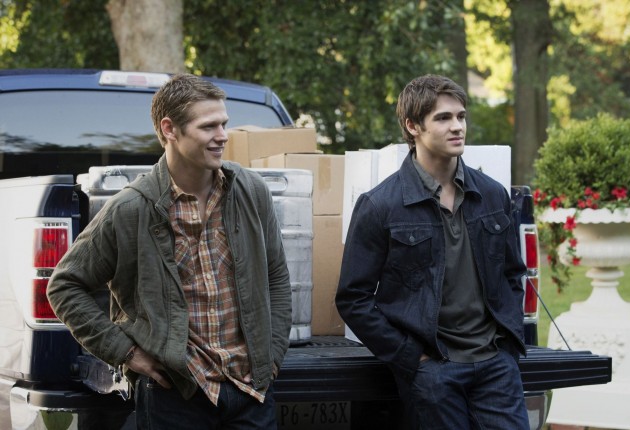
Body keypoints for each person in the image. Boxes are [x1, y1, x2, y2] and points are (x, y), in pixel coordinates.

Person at [47, 73, 292, 429]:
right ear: (170, 129)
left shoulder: (251, 191)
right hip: (175, 393)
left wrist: (272, 356)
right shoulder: (131, 208)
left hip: (250, 390)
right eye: (208, 126)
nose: (222, 135)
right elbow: (65, 286)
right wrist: (127, 353)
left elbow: (277, 276)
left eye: (223, 124)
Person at [335, 74, 529, 429]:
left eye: (461, 116)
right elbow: (353, 299)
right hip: (433, 371)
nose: (457, 126)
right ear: (413, 126)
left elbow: (513, 274)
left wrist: (506, 348)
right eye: (443, 118)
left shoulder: (492, 195)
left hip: (495, 366)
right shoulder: (380, 205)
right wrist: (412, 358)